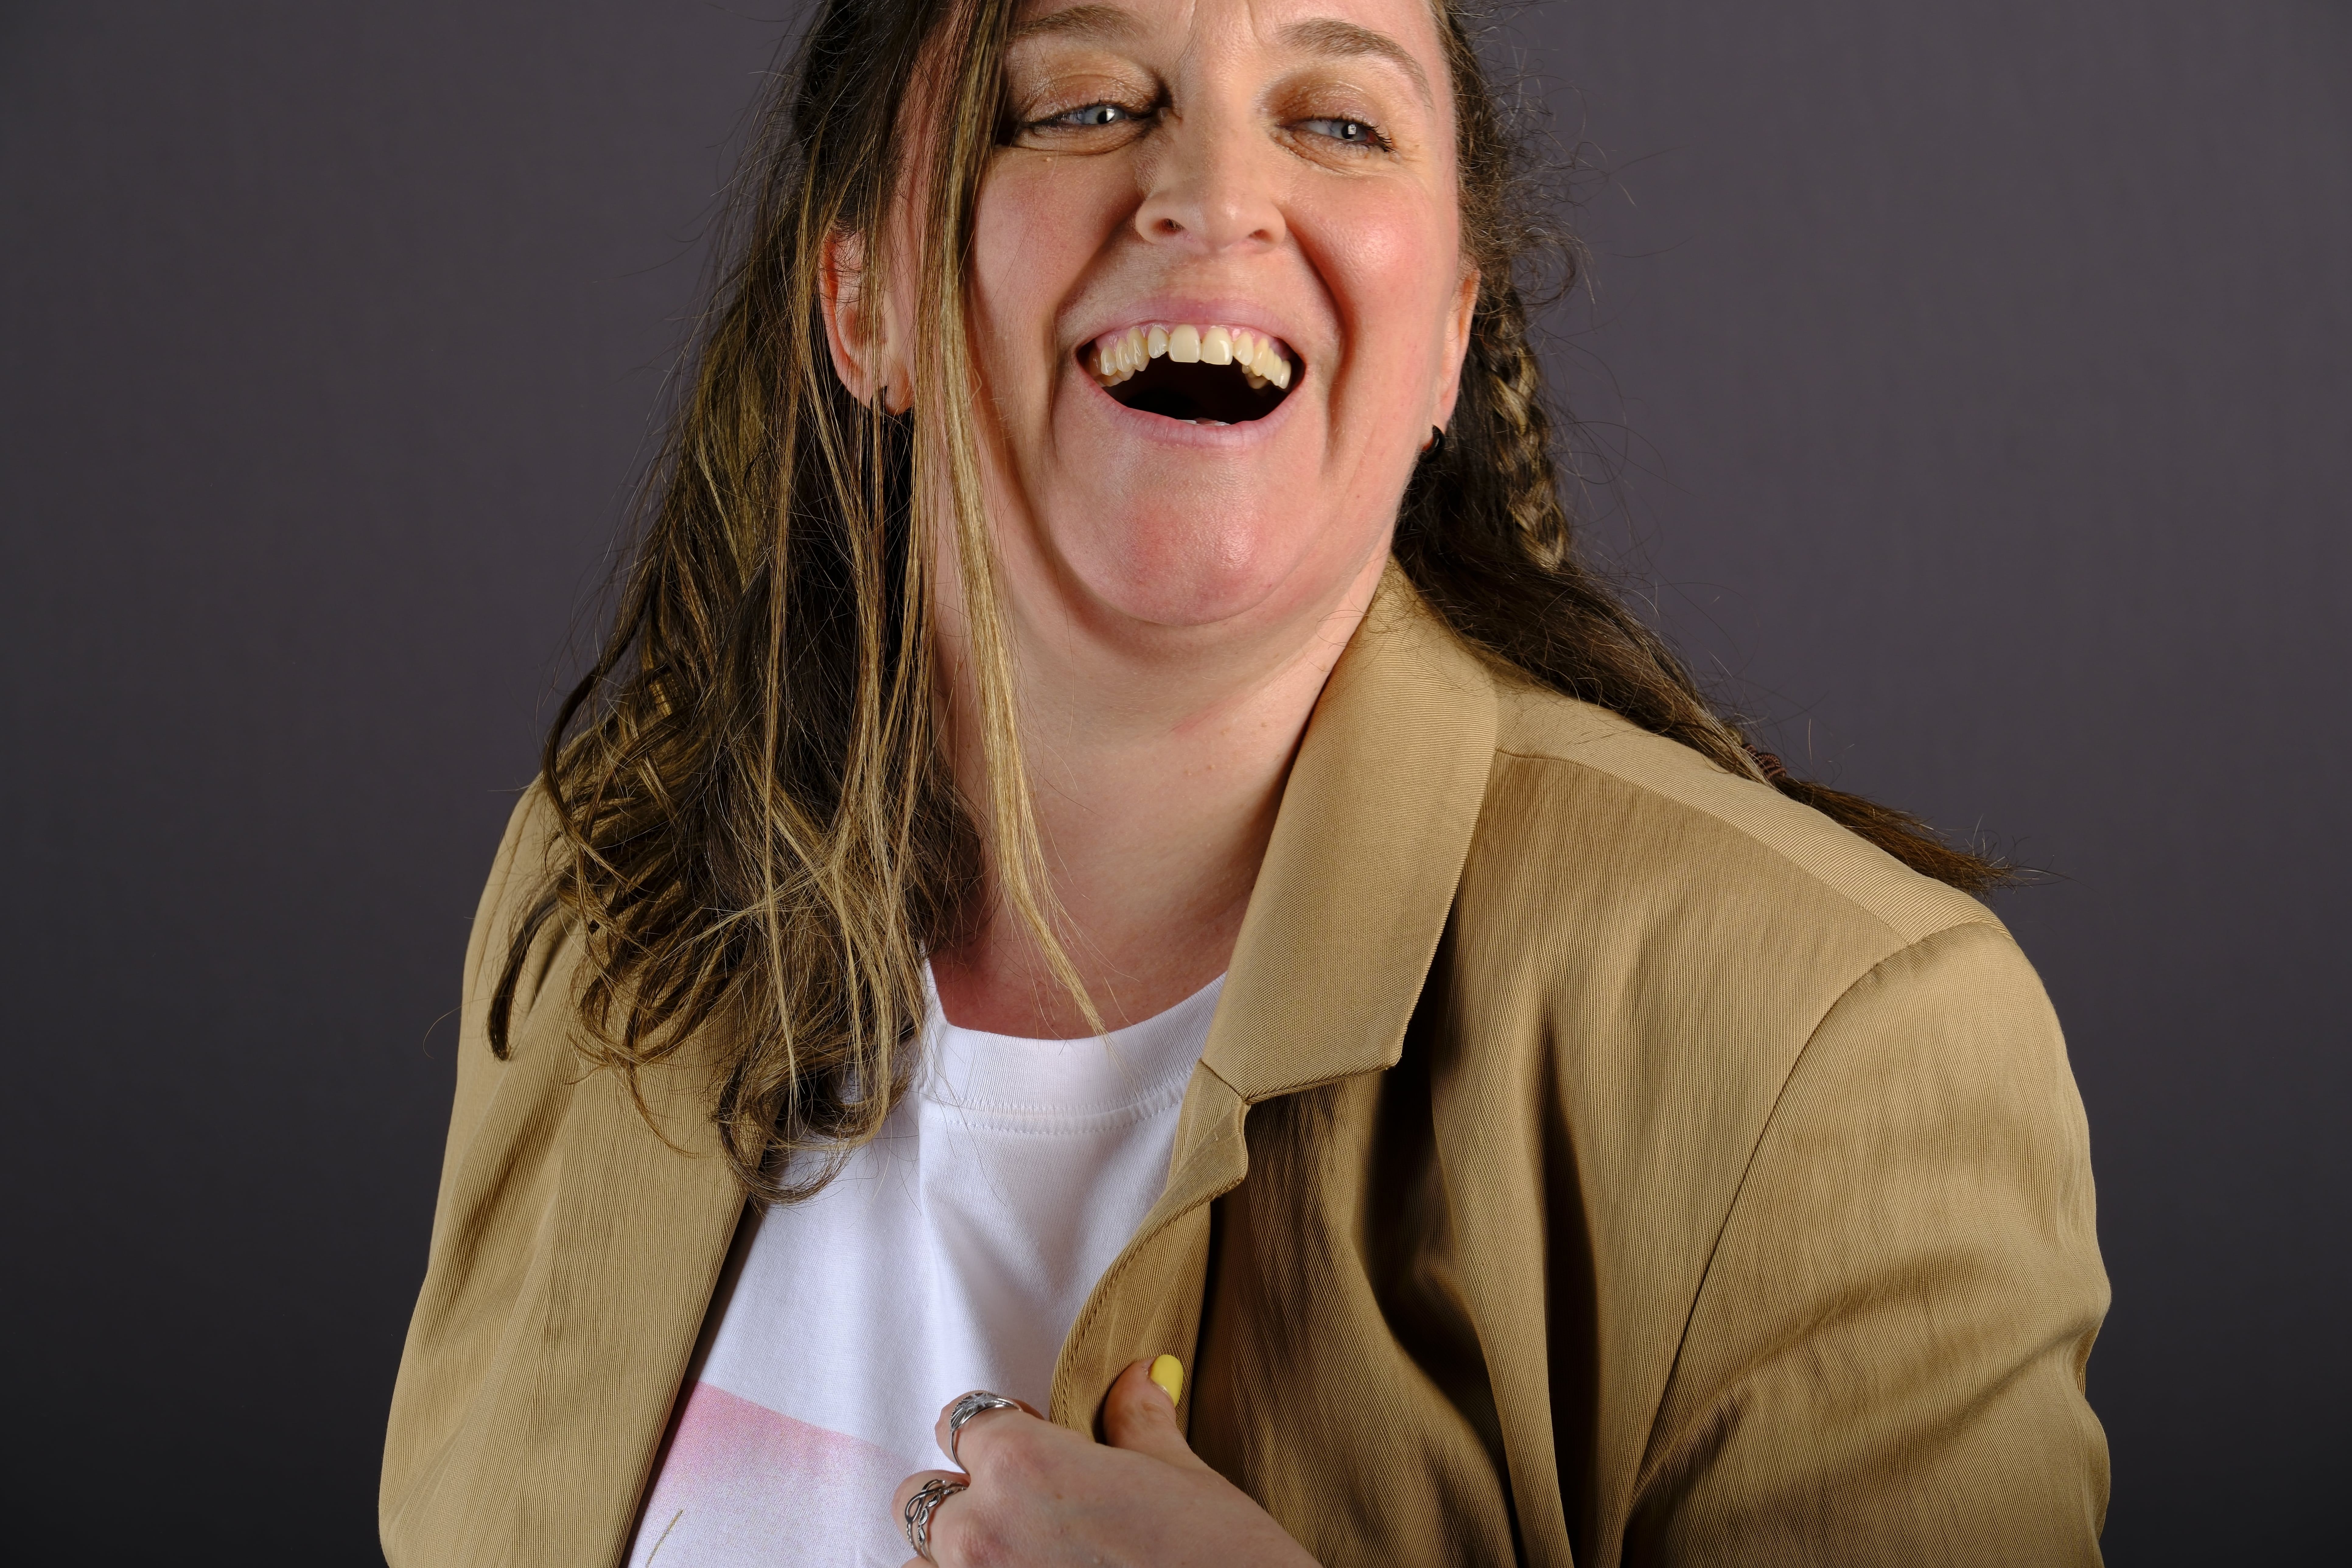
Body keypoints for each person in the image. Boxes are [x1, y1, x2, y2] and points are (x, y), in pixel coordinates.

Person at [380, 0, 2111, 1562]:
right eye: (1080, 104)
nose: (1213, 197)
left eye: (1339, 122)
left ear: (1447, 336)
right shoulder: (605, 897)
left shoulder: (1827, 1042)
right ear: (863, 302)